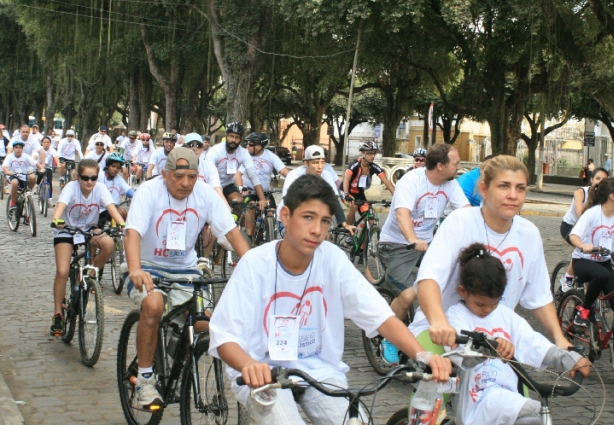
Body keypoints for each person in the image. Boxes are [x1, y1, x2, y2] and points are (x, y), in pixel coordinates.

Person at [208, 174, 452, 424]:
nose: (316, 230)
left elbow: (380, 316)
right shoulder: (254, 264)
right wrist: (249, 365)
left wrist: (423, 355)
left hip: (320, 369)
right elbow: (225, 335)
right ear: (285, 216)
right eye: (307, 217)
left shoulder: (333, 259)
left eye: (325, 221)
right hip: (263, 373)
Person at [409, 155, 571, 360]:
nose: (513, 195)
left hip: (497, 338)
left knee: (514, 390)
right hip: (443, 332)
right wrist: (439, 322)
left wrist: (559, 338)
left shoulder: (529, 234)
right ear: (484, 189)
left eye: (520, 188)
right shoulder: (460, 222)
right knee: (439, 383)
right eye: (504, 186)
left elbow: (538, 296)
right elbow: (428, 279)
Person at [124, 148, 250, 407]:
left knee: (210, 323)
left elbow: (232, 233)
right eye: (179, 176)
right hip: (149, 267)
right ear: (164, 174)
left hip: (186, 271)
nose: (186, 183)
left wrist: (256, 267)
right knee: (154, 305)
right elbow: (132, 233)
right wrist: (136, 269)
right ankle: (145, 381)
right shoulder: (149, 191)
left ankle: (174, 359)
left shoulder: (205, 194)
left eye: (192, 176)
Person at [446, 243, 591, 425]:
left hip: (508, 397)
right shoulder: (456, 315)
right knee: (532, 412)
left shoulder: (507, 317)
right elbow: (460, 346)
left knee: (533, 416)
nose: (487, 310)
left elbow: (534, 344)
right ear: (463, 291)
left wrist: (569, 359)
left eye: (494, 304)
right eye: (480, 305)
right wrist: (491, 345)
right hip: (478, 400)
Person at [378, 144, 469, 365]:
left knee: (456, 281)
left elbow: (466, 213)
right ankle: (389, 339)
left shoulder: (450, 184)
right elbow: (402, 214)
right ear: (440, 166)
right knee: (409, 294)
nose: (459, 167)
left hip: (428, 245)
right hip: (398, 245)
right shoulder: (411, 181)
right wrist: (412, 239)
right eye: (455, 163)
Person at [49, 159, 126, 336]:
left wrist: (123, 224)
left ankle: (91, 272)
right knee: (62, 271)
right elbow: (60, 207)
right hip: (67, 230)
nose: (90, 182)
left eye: (93, 177)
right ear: (78, 177)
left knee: (108, 244)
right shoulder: (71, 188)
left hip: (89, 229)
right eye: (85, 178)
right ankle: (58, 314)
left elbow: (112, 208)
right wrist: (56, 219)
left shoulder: (99, 188)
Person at [278, 145, 354, 235]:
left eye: (322, 162)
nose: (320, 166)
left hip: (313, 219)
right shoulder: (293, 176)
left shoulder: (326, 175)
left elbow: (334, 200)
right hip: (290, 218)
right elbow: (288, 200)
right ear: (306, 163)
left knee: (326, 238)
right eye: (315, 162)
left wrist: (344, 224)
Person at [568, 178, 614, 326]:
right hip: (582, 261)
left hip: (604, 261)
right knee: (603, 275)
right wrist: (582, 246)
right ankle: (584, 310)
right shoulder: (591, 214)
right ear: (612, 195)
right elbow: (573, 236)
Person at [558, 167, 608, 293]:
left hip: (592, 228)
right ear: (591, 179)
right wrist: (593, 196)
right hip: (571, 226)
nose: (600, 182)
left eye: (604, 180)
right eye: (598, 178)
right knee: (581, 247)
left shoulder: (606, 196)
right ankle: (567, 277)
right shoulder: (581, 192)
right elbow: (581, 214)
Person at [236, 132, 290, 238]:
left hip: (266, 192)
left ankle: (268, 234)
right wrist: (241, 188)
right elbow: (238, 174)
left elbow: (284, 172)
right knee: (251, 206)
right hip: (249, 191)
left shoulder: (271, 156)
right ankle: (249, 238)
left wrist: (296, 181)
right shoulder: (246, 156)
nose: (247, 146)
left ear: (259, 146)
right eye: (247, 144)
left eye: (251, 145)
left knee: (271, 212)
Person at [205, 122, 267, 211]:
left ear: (241, 139)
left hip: (227, 185)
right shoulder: (215, 151)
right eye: (231, 136)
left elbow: (253, 176)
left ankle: (237, 223)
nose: (233, 140)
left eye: (237, 137)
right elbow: (209, 174)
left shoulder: (243, 153)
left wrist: (262, 199)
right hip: (210, 184)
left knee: (239, 203)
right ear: (226, 136)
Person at [343, 141, 395, 226]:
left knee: (370, 221)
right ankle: (348, 231)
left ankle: (367, 238)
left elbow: (386, 181)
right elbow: (346, 179)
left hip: (359, 194)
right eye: (370, 153)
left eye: (374, 153)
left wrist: (396, 196)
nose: (373, 156)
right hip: (346, 192)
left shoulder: (373, 167)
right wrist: (346, 194)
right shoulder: (355, 165)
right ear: (362, 153)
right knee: (354, 206)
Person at [2, 140, 45, 211]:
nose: (18, 149)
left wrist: (42, 168)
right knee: (15, 182)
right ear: (13, 149)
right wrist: (7, 171)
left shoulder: (26, 156)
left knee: (33, 176)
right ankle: (13, 202)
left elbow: (36, 163)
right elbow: (5, 166)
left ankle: (29, 193)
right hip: (13, 175)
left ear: (22, 149)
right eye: (16, 147)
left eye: (20, 148)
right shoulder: (10, 156)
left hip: (23, 176)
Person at [98, 152, 133, 227]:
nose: (115, 169)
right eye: (113, 166)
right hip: (100, 209)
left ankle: (123, 232)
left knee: (123, 212)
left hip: (115, 208)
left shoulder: (119, 179)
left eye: (118, 167)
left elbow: (128, 191)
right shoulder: (99, 176)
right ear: (107, 166)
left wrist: (137, 196)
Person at [35, 136, 56, 206]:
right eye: (45, 142)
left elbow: (56, 157)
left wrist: (58, 164)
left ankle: (50, 199)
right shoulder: (39, 150)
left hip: (49, 167)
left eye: (48, 142)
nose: (46, 144)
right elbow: (34, 157)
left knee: (49, 182)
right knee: (41, 174)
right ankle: (37, 185)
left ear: (50, 143)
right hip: (40, 166)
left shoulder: (52, 150)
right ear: (42, 143)